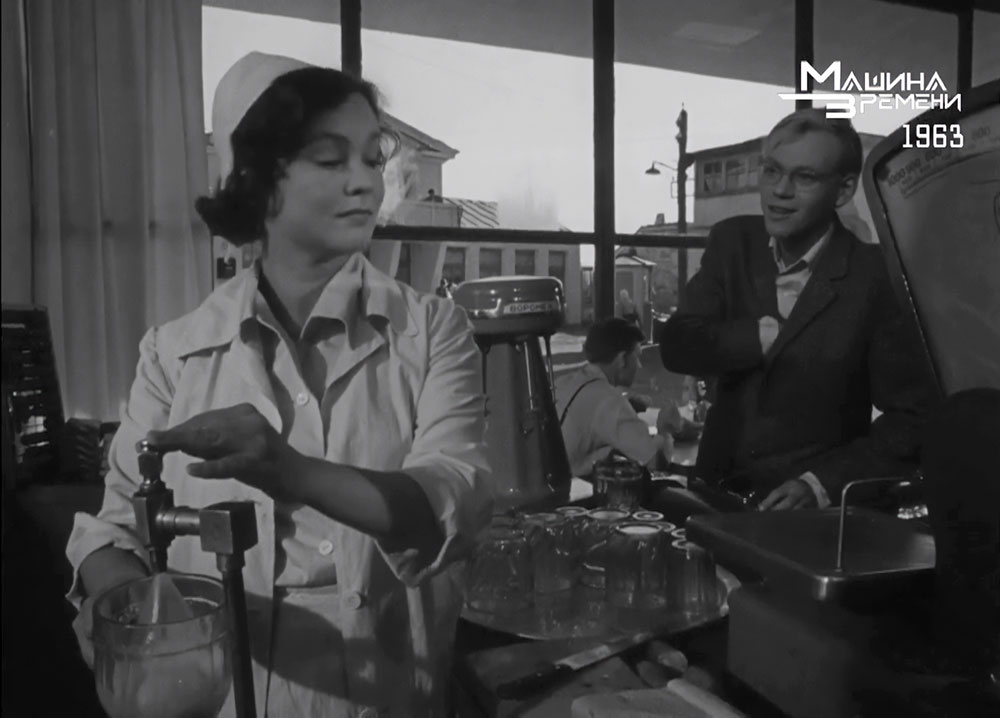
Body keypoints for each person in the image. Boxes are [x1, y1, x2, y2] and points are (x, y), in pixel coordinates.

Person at [65, 52, 493, 718]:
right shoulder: (173, 354)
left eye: (372, 158)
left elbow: (453, 498)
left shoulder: (431, 330)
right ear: (256, 181)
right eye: (330, 158)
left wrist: (290, 470)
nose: (366, 182)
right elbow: (115, 526)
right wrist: (127, 607)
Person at [658, 108, 937, 510]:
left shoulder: (875, 277)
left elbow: (912, 419)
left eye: (804, 177)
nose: (780, 190)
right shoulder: (732, 242)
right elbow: (678, 345)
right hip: (712, 503)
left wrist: (821, 484)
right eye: (772, 170)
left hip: (808, 524)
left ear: (843, 191)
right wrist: (755, 338)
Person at [554, 318, 681, 477]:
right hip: (570, 487)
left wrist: (628, 406)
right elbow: (656, 461)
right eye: (637, 357)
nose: (639, 365)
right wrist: (666, 429)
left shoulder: (563, 382)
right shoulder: (610, 401)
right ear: (622, 359)